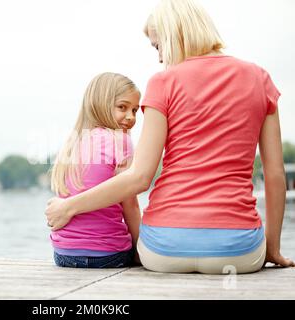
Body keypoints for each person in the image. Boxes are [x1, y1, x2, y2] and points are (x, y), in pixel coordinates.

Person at [45, 0, 294, 274]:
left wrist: (69, 207)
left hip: (162, 250)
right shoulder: (260, 78)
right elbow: (274, 174)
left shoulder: (162, 83)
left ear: (173, 35)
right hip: (239, 251)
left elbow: (140, 177)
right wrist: (272, 248)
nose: (160, 58)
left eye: (157, 46)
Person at [49, 72, 142, 268]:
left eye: (134, 110)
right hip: (109, 254)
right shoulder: (121, 140)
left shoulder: (72, 143)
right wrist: (139, 251)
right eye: (122, 107)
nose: (130, 117)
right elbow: (130, 205)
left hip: (63, 254)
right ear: (100, 104)